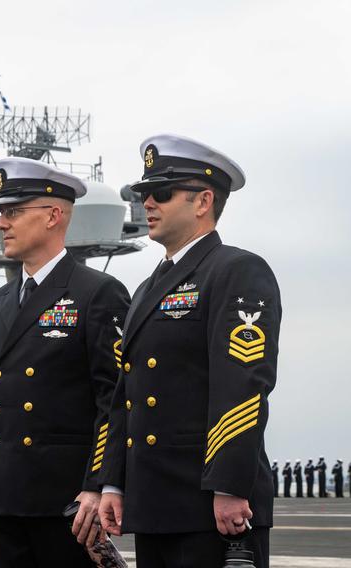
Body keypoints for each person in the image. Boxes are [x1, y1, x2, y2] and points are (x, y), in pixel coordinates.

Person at [97, 134, 282, 568]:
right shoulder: (146, 289)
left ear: (203, 201)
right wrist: (113, 482)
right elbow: (128, 391)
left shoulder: (236, 270)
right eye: (144, 194)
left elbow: (242, 383)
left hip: (211, 504)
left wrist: (230, 485)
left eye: (161, 193)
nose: (148, 204)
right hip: (155, 502)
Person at [0, 157, 131, 567]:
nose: (1, 224)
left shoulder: (97, 293)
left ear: (54, 215)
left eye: (13, 212)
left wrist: (98, 484)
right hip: (7, 499)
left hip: (68, 503)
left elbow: (115, 400)